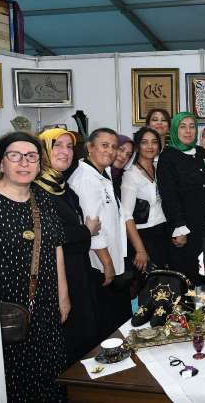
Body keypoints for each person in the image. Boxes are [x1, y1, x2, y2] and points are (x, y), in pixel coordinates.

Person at [0, 132, 69, 401]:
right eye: (15, 155)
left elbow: (56, 249)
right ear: (1, 163)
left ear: (39, 164)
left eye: (31, 156)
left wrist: (63, 297)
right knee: (0, 383)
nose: (24, 162)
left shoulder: (43, 201)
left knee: (44, 381)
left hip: (42, 311)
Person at [36, 128, 101, 366]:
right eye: (57, 145)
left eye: (69, 146)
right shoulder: (36, 190)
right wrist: (86, 231)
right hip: (58, 274)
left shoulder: (62, 186)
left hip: (78, 268)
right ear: (43, 150)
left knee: (85, 334)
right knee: (69, 337)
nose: (65, 151)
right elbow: (51, 235)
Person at [68, 128, 130, 339]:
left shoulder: (102, 173)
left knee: (118, 320)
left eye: (114, 147)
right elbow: (92, 225)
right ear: (90, 147)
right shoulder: (86, 179)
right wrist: (107, 263)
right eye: (104, 145)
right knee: (107, 324)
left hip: (109, 258)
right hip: (98, 263)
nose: (110, 151)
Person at [156, 112, 205, 283]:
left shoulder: (201, 152)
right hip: (185, 229)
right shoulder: (168, 156)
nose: (188, 131)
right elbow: (169, 195)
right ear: (174, 130)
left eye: (192, 126)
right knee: (188, 277)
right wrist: (179, 227)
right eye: (182, 127)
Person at [121, 127, 170, 272]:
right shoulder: (130, 175)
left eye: (154, 142)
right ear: (137, 147)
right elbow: (126, 216)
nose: (150, 146)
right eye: (144, 142)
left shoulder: (159, 169)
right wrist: (140, 250)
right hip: (144, 235)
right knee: (150, 282)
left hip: (163, 232)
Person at [111, 134, 133, 199]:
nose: (124, 156)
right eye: (121, 149)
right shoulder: (97, 175)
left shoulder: (126, 178)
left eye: (128, 154)